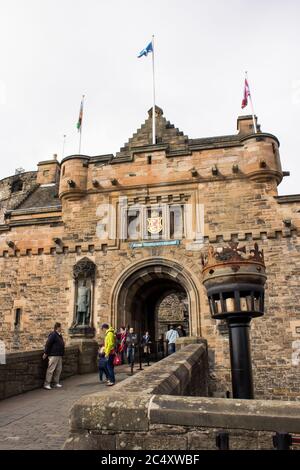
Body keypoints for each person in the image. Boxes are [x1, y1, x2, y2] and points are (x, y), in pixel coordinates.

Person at [43, 322, 65, 390]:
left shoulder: (59, 335)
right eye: (61, 327)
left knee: (58, 370)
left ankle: (56, 383)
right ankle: (47, 384)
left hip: (59, 355)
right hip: (53, 355)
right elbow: (48, 344)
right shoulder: (53, 335)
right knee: (51, 370)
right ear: (57, 327)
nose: (61, 328)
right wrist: (45, 353)